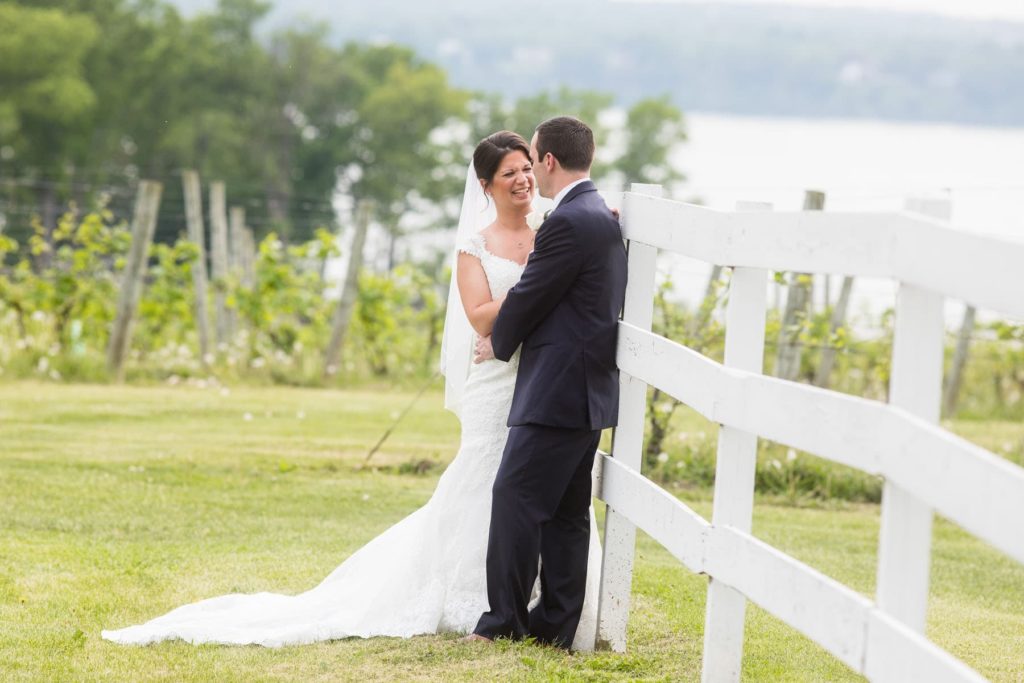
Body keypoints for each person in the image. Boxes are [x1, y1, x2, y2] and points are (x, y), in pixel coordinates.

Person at [100, 130, 603, 650]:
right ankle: (477, 596)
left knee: (535, 492)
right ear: (485, 186)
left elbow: (573, 271)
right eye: (509, 173)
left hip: (546, 376)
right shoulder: (474, 246)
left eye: (526, 168)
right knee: (486, 484)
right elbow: (481, 317)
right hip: (496, 384)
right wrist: (519, 304)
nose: (522, 179)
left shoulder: (558, 226)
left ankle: (535, 603)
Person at [469, 116, 627, 649]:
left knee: (514, 496)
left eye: (531, 159)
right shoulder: (596, 214)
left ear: (549, 161)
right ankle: (554, 626)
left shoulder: (569, 220)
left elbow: (532, 292)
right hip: (587, 391)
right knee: (565, 513)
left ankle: (502, 623)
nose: (530, 170)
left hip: (559, 390)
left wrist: (498, 341)